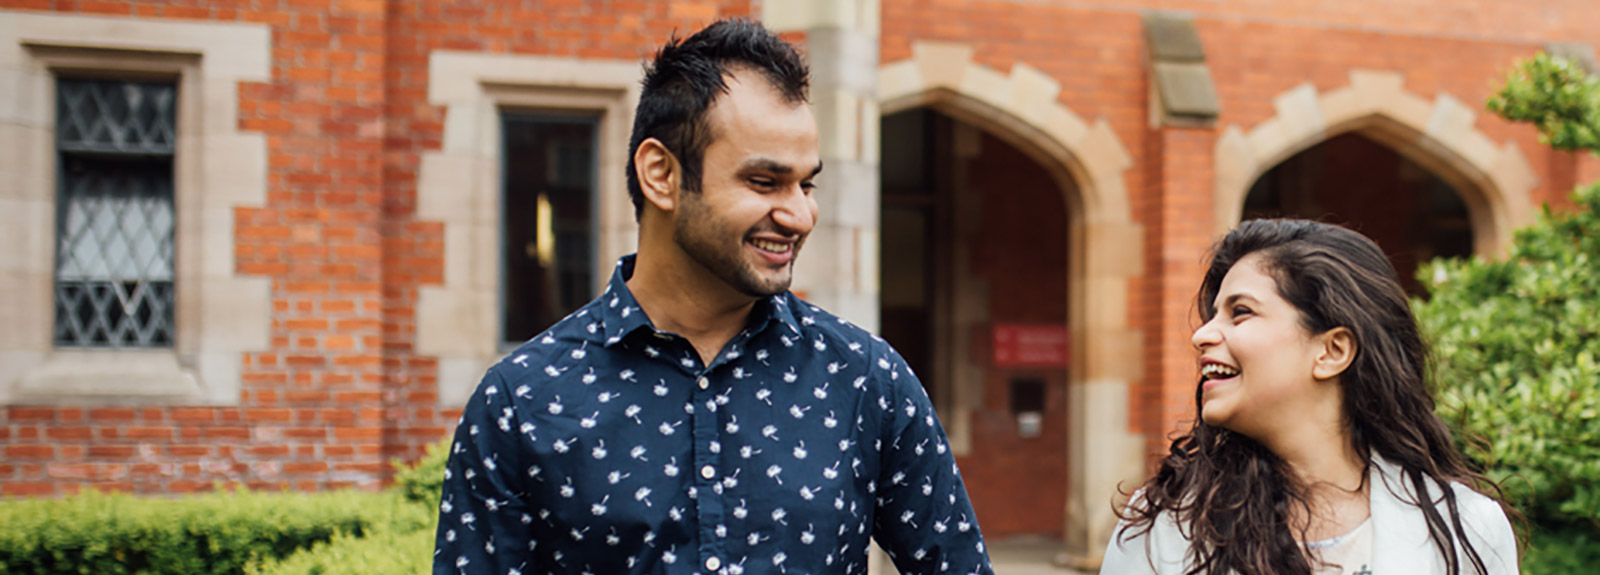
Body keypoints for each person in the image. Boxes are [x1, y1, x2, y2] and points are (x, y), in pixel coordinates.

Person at [432, 19, 994, 575]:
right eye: (764, 182)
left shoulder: (865, 379)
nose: (800, 215)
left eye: (806, 184)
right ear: (661, 174)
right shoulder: (522, 401)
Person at [1101, 219, 1518, 575]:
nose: (1202, 335)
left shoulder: (1468, 526)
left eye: (1240, 312)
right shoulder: (1164, 523)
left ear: (1332, 351)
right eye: (1213, 315)